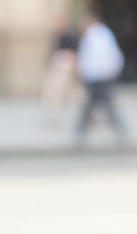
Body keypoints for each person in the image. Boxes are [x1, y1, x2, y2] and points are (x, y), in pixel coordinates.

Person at [74, 14, 128, 146]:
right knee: (96, 105)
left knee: (101, 105)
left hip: (99, 76)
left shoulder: (97, 35)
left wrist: (91, 72)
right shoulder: (97, 34)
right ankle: (81, 131)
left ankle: (82, 131)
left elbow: (98, 56)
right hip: (99, 75)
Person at [41, 17, 79, 125]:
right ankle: (52, 116)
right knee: (53, 92)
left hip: (65, 65)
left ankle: (89, 114)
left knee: (71, 93)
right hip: (58, 64)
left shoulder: (70, 35)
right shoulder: (57, 36)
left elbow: (74, 53)